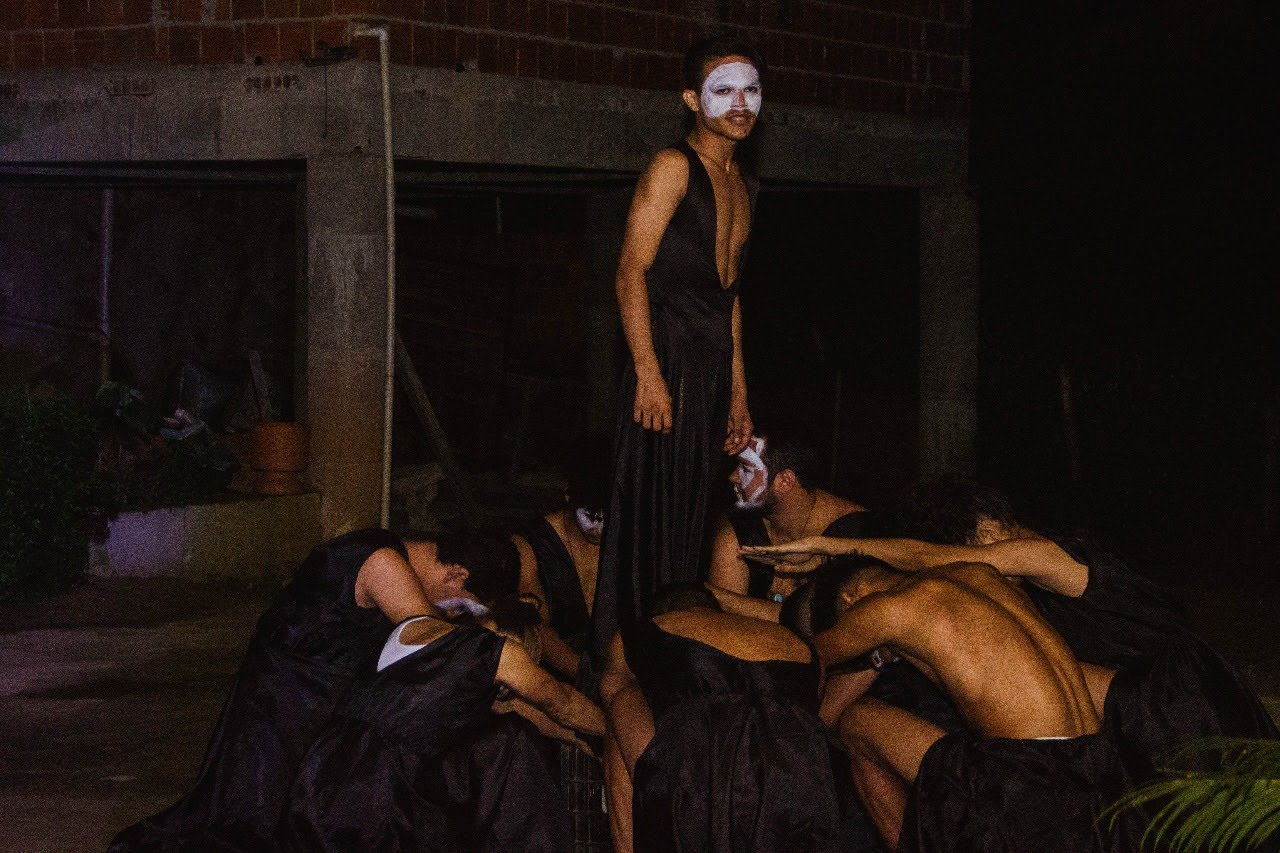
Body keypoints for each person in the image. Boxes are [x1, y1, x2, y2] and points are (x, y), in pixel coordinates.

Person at [741, 477, 1279, 754]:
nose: (971, 567)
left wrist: (835, 547)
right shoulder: (1012, 602)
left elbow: (934, 560)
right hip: (1132, 720)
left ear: (989, 526)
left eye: (973, 548)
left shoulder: (1051, 555)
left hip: (1186, 705)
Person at [109, 528, 519, 852]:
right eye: (460, 605)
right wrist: (501, 661)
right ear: (456, 574)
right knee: (249, 816)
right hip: (289, 695)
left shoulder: (387, 548)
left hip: (308, 692)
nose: (452, 614)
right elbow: (433, 643)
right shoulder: (384, 563)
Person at [589, 35, 765, 676]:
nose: (740, 104)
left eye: (751, 90)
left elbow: (729, 298)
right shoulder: (673, 167)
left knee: (692, 523)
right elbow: (629, 270)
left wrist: (738, 394)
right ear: (692, 99)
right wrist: (647, 372)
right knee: (647, 524)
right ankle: (620, 668)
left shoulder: (743, 183)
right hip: (663, 363)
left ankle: (675, 664)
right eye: (724, 90)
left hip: (710, 373)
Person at [803, 554, 1141, 852]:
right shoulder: (979, 573)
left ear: (852, 599)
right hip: (1100, 764)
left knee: (857, 722)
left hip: (1032, 781)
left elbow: (799, 662)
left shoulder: (884, 609)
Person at [281, 596, 606, 852]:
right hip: (378, 786)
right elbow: (561, 701)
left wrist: (575, 738)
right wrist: (612, 729)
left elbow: (520, 708)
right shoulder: (502, 653)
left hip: (326, 761)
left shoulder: (422, 628)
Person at [599, 583, 862, 853]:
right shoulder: (799, 645)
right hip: (799, 789)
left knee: (622, 704)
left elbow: (611, 696)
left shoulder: (645, 630)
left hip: (702, 790)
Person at [707, 431, 868, 620]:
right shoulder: (738, 529)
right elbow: (722, 624)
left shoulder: (855, 532)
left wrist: (727, 601)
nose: (733, 477)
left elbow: (835, 626)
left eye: (746, 469)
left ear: (785, 481)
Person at [512, 437, 611, 681]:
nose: (600, 528)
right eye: (591, 515)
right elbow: (536, 626)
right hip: (557, 677)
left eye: (610, 515)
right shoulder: (531, 545)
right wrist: (588, 679)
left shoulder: (633, 538)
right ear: (568, 495)